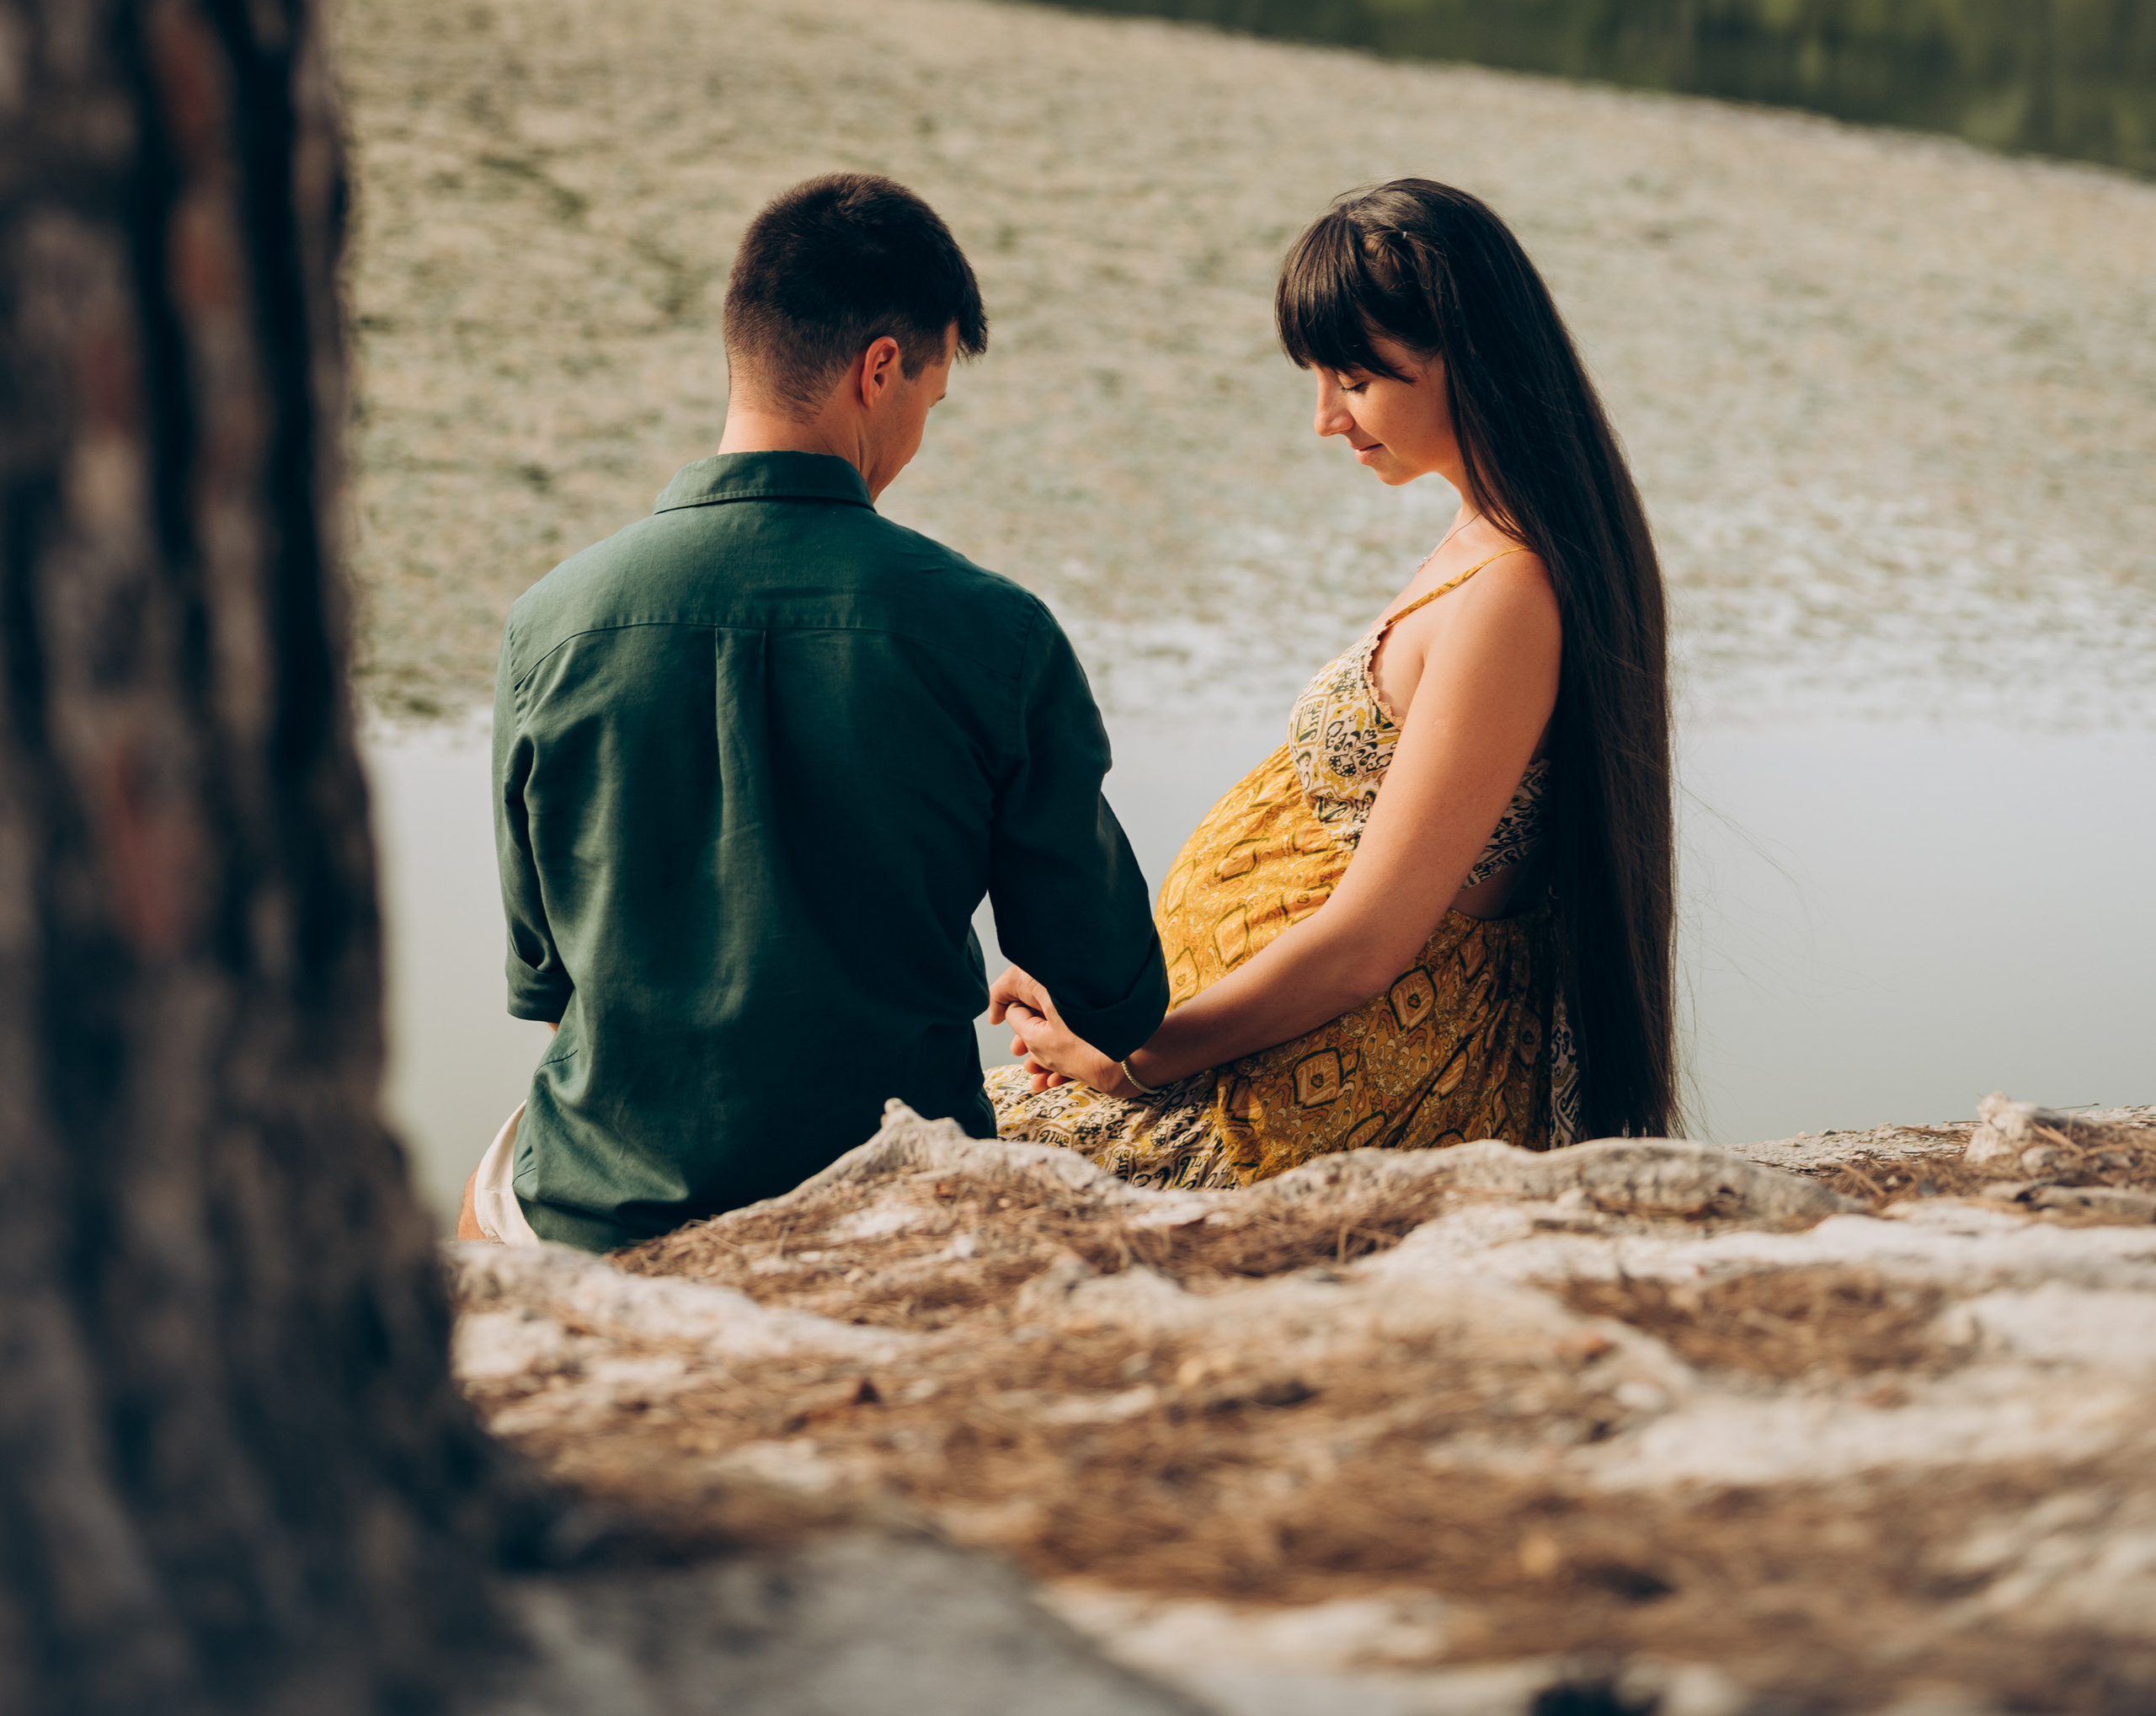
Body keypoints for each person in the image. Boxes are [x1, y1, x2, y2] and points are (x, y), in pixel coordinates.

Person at [460, 171, 1166, 1249]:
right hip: (888, 1214)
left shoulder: (546, 626)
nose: (920, 430)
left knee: (493, 1179)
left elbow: (548, 980)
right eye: (930, 395)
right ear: (879, 368)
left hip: (604, 1211)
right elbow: (1115, 993)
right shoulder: (995, 633)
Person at [986, 179, 1676, 1179]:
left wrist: (1135, 1053)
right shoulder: (1485, 544)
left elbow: (1369, 940)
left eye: (1355, 377)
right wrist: (1118, 992)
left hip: (1340, 1093)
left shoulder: (1515, 592)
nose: (1324, 417)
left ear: (1468, 360)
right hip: (1261, 1052)